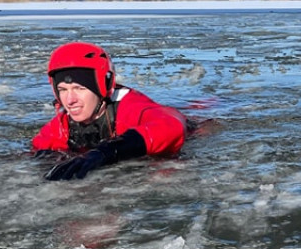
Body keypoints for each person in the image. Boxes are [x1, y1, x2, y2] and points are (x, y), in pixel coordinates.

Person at [32, 42, 188, 180]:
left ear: (102, 87)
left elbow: (172, 126)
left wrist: (105, 152)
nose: (70, 100)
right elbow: (39, 147)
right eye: (63, 90)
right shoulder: (59, 126)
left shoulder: (129, 107)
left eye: (79, 88)